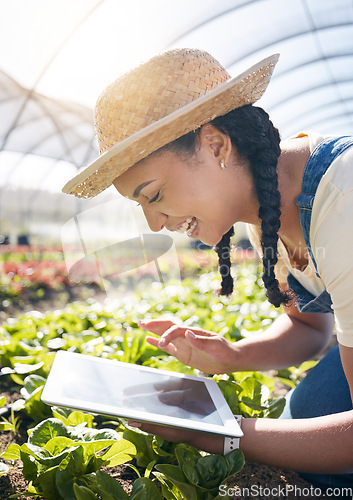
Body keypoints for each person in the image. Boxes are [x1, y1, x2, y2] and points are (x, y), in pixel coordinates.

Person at [62, 48, 353, 490]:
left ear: (216, 144)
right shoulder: (268, 211)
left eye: (154, 195)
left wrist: (219, 434)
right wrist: (232, 356)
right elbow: (310, 327)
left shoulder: (343, 199)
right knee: (310, 413)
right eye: (140, 205)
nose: (154, 223)